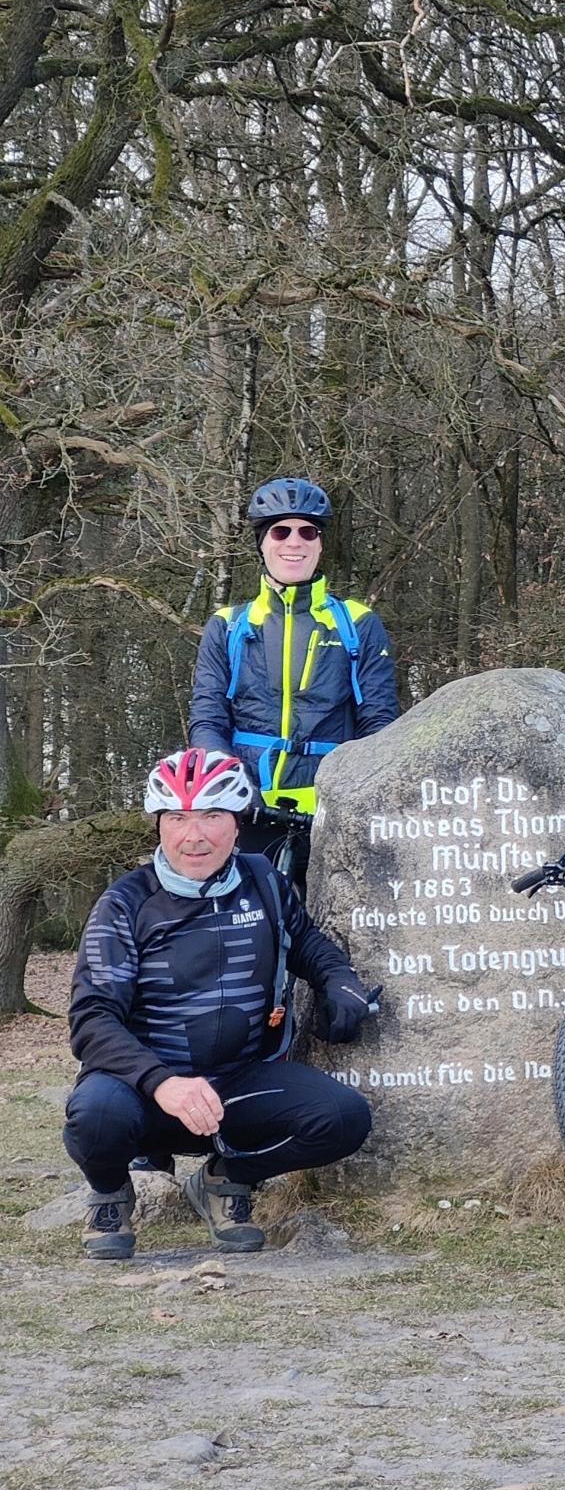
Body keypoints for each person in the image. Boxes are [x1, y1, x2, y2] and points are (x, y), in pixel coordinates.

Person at [65, 749, 379, 1259]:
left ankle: (224, 1181)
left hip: (237, 1083)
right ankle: (109, 1195)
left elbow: (308, 944)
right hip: (145, 1092)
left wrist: (340, 981)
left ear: (236, 824)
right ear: (160, 825)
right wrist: (162, 1083)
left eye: (212, 816)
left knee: (343, 1118)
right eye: (178, 818)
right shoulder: (125, 903)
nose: (195, 835)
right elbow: (92, 1021)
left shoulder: (264, 882)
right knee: (95, 1115)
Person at [189, 478, 399, 878]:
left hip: (332, 810)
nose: (294, 542)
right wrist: (230, 783)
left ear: (320, 544)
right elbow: (208, 718)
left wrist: (354, 792)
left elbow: (379, 723)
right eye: (280, 531)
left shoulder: (357, 623)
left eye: (308, 532)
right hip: (247, 809)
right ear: (262, 543)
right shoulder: (228, 626)